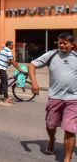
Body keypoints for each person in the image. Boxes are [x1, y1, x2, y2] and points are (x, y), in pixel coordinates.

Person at [29, 32, 77, 160]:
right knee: (50, 125)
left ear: (72, 44)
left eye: (65, 43)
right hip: (55, 97)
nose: (62, 45)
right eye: (60, 43)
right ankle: (52, 140)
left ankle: (67, 159)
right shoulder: (52, 55)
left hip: (73, 99)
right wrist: (34, 83)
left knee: (70, 129)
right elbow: (32, 65)